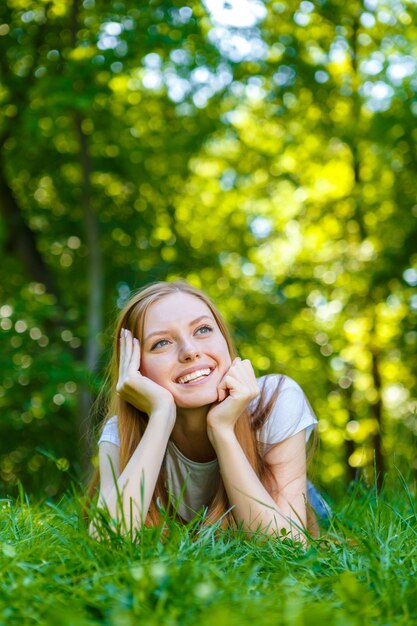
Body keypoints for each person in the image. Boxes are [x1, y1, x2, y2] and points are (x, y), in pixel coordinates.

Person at [89, 281, 329, 540]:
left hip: (287, 497)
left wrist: (222, 429)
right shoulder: (121, 433)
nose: (190, 351)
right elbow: (107, 540)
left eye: (202, 329)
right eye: (161, 343)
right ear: (135, 367)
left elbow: (289, 545)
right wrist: (161, 416)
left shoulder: (273, 399)